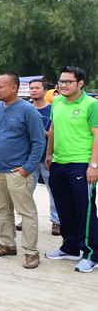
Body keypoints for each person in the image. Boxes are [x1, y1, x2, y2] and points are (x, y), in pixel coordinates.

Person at [0, 73, 45, 269]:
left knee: (26, 212)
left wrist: (27, 169)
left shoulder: (28, 111)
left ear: (14, 88)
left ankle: (31, 251)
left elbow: (38, 141)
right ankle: (8, 244)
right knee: (2, 209)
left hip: (18, 171)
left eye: (1, 87)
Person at [45, 66, 98, 273]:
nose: (63, 85)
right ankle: (70, 247)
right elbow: (53, 128)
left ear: (80, 83)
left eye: (68, 81)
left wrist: (93, 165)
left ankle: (92, 254)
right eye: (61, 81)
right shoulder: (57, 101)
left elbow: (97, 136)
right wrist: (49, 154)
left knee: (84, 210)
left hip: (81, 164)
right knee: (64, 208)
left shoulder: (91, 104)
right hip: (59, 162)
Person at [29, 78, 60, 236]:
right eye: (31, 88)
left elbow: (58, 132)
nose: (34, 90)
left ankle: (56, 221)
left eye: (37, 88)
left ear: (44, 90)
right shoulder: (27, 109)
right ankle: (27, 219)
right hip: (30, 157)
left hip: (49, 156)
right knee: (27, 191)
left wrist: (47, 134)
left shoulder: (53, 109)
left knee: (54, 190)